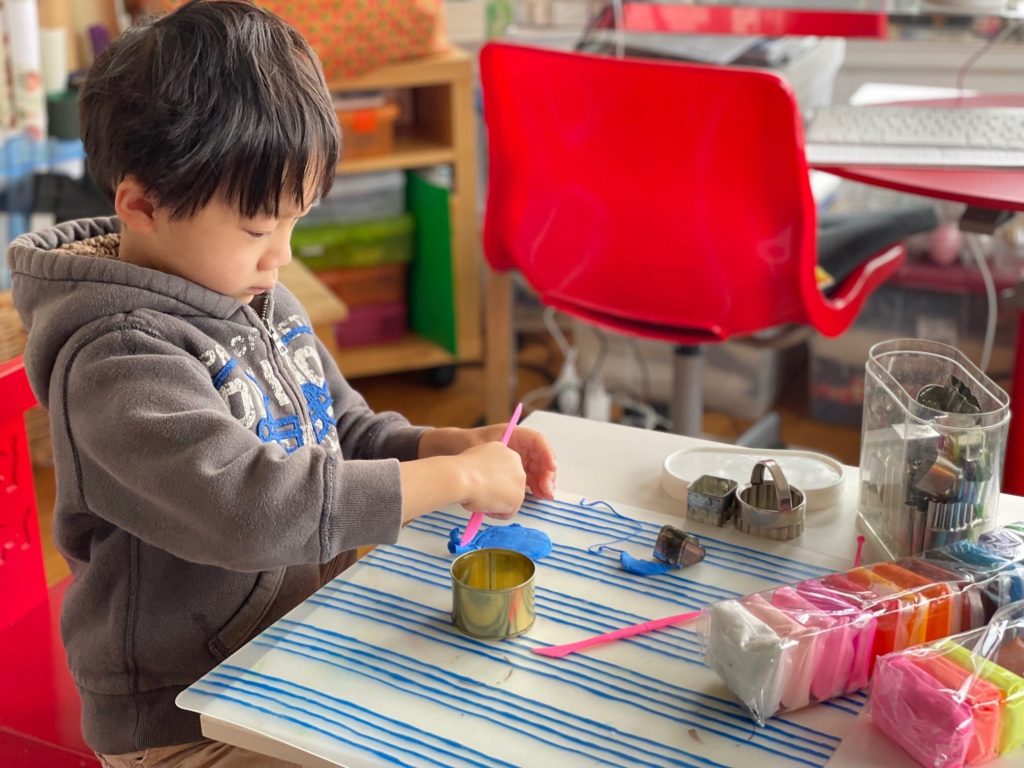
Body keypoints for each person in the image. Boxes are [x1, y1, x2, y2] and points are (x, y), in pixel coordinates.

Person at [6, 2, 557, 765]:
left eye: (296, 221)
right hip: (185, 722)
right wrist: (454, 476)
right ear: (141, 204)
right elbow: (253, 511)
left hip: (291, 653)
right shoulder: (116, 360)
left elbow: (347, 435)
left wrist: (443, 442)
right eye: (261, 228)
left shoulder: (251, 293)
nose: (282, 258)